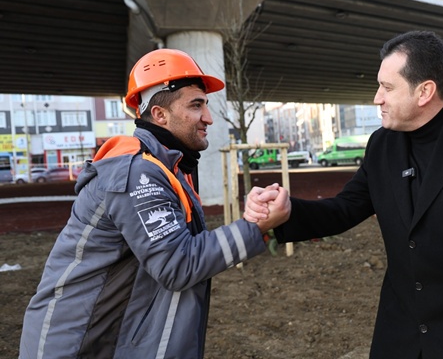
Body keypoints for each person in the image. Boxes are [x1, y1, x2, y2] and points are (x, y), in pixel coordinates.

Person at [248, 30, 443, 358]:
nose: (376, 98)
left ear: (425, 91)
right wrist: (287, 212)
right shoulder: (382, 145)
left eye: (387, 87)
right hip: (397, 340)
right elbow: (346, 208)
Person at [19, 49, 287, 358]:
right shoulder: (138, 173)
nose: (209, 118)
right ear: (160, 115)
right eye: (196, 105)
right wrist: (256, 226)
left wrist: (253, 219)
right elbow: (178, 264)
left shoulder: (166, 168)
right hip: (76, 348)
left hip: (99, 340)